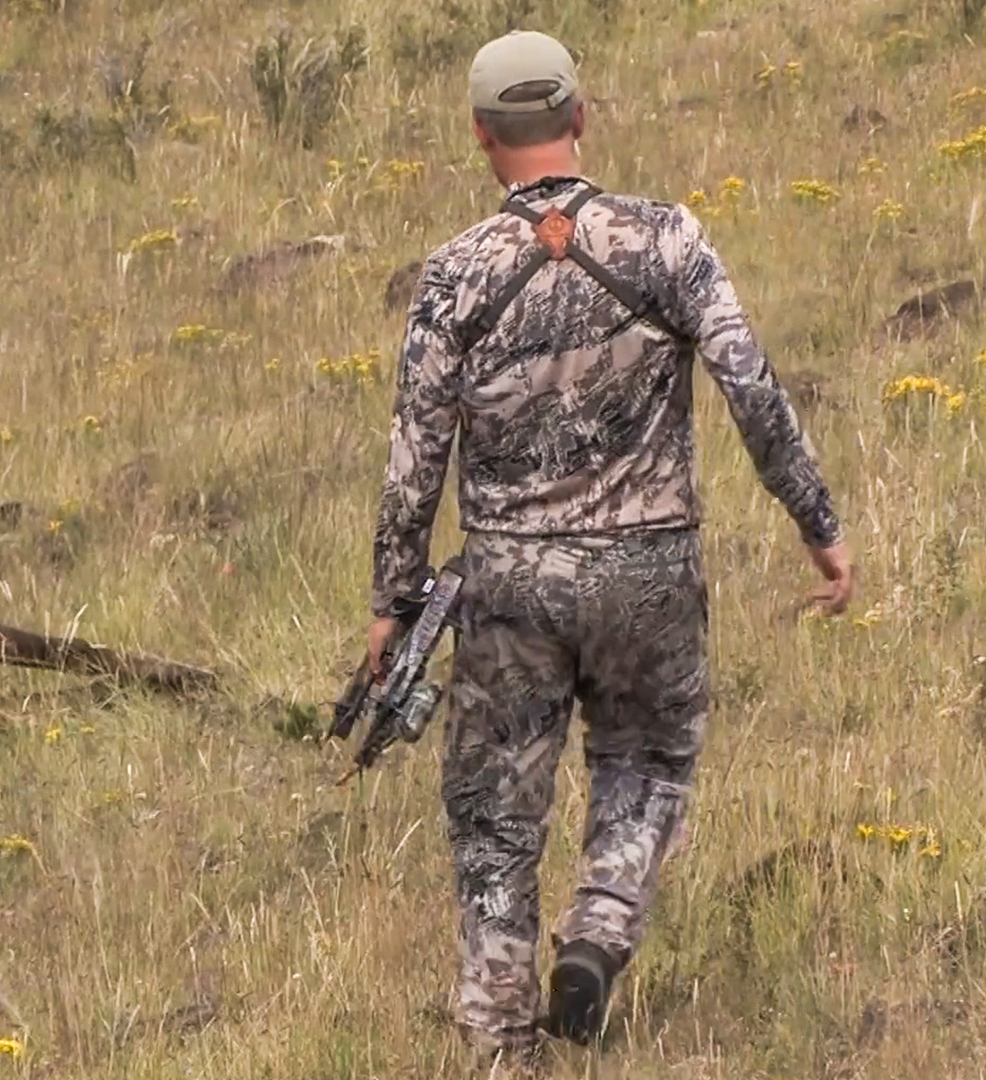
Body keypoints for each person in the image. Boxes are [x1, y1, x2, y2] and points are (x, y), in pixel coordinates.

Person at [363, 28, 855, 1065]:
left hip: (508, 586)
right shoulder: (668, 241)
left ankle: (501, 1045)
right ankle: (597, 931)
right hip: (650, 572)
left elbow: (415, 454)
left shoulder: (453, 275)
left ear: (480, 135)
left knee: (497, 825)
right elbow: (752, 388)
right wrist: (817, 522)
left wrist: (393, 597)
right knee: (649, 763)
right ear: (580, 119)